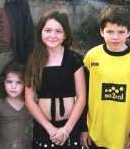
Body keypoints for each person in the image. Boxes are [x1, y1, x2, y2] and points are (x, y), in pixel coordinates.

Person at [81, 5, 130, 149]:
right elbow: (82, 96)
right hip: (96, 134)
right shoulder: (91, 57)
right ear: (101, 31)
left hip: (124, 139)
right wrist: (83, 128)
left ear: (128, 32)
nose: (115, 37)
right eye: (110, 31)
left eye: (121, 32)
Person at [25, 10, 86, 148]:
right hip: (44, 128)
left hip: (69, 127)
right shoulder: (33, 60)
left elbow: (81, 98)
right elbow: (29, 100)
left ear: (65, 35)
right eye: (48, 30)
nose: (53, 35)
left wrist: (66, 130)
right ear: (40, 32)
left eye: (58, 31)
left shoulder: (74, 60)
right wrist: (50, 128)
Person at [0, 61, 32, 149]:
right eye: (9, 82)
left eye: (19, 82)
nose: (13, 86)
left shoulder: (31, 105)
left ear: (25, 84)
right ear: (3, 82)